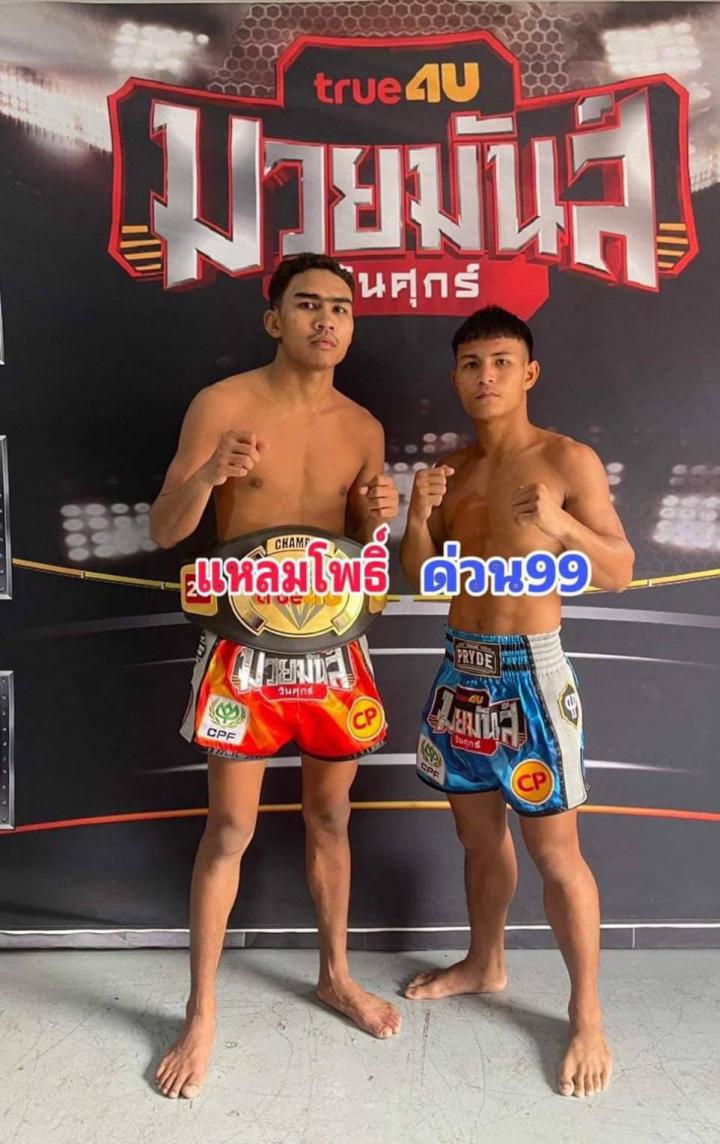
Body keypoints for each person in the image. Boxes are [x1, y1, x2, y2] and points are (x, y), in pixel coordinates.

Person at [150, 252, 401, 1100]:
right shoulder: (222, 405)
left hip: (333, 643)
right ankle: (201, 1012)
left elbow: (365, 552)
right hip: (242, 642)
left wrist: (378, 519)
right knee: (229, 828)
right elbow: (164, 529)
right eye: (307, 304)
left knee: (330, 816)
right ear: (274, 319)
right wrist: (210, 474)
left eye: (340, 308)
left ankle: (336, 975)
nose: (325, 320)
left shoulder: (363, 428)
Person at [399, 305, 634, 1099]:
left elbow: (619, 569)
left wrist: (561, 523)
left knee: (556, 852)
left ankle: (587, 1014)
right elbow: (419, 578)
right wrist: (416, 515)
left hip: (531, 673)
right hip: (461, 669)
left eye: (501, 361)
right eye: (471, 364)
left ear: (528, 373)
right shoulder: (452, 471)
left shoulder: (568, 459)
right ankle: (484, 961)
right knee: (477, 840)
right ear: (456, 377)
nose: (486, 376)